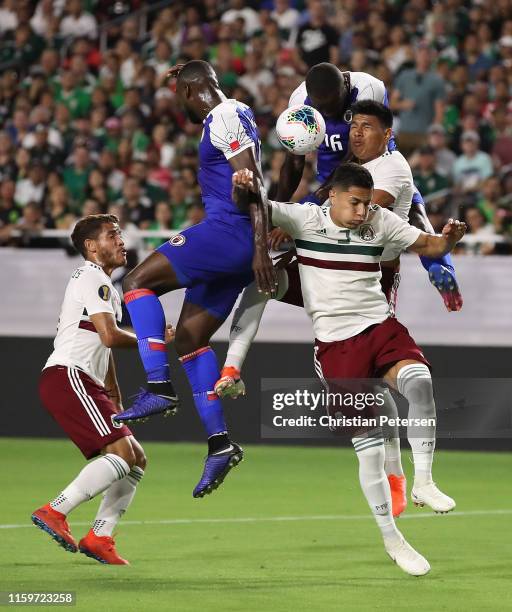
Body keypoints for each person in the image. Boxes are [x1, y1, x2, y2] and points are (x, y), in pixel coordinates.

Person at [232, 164, 464, 576]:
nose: (361, 212)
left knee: (421, 383)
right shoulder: (304, 218)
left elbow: (426, 244)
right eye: (354, 202)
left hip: (380, 327)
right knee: (370, 448)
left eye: (366, 202)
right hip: (337, 346)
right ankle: (393, 540)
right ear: (332, 196)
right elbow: (256, 207)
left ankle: (424, 481)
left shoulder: (380, 219)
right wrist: (244, 188)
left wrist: (446, 240)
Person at [112, 60, 276, 499]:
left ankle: (158, 386)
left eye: (175, 95)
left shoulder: (222, 117)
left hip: (230, 234)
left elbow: (254, 182)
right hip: (237, 247)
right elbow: (246, 181)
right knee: (189, 338)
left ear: (189, 91)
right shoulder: (234, 115)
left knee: (135, 283)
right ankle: (220, 445)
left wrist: (259, 247)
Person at [32, 214, 173, 565]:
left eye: (120, 234)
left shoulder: (102, 284)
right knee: (124, 455)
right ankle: (55, 511)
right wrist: (152, 340)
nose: (121, 241)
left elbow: (103, 344)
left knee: (136, 458)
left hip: (81, 379)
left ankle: (100, 537)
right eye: (113, 235)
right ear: (92, 247)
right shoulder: (93, 277)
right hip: (69, 375)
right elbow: (110, 336)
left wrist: (114, 394)